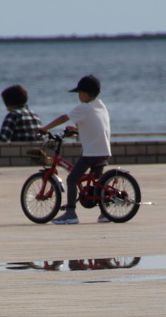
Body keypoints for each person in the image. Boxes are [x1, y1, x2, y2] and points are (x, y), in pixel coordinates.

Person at [38, 75, 111, 225]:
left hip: (91, 152)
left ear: (83, 93)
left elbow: (64, 117)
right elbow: (94, 125)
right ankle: (105, 213)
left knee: (72, 178)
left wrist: (45, 128)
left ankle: (70, 213)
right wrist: (77, 130)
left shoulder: (83, 107)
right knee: (97, 182)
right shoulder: (100, 106)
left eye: (79, 93)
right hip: (104, 150)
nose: (78, 96)